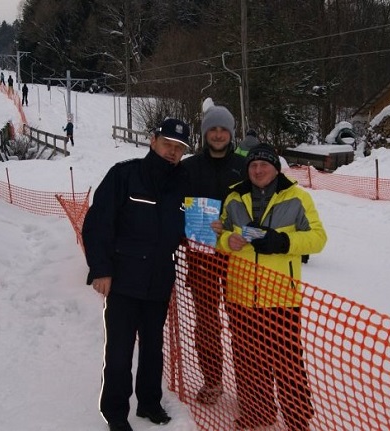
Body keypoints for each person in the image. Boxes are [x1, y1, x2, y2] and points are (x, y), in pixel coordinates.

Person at [81, 118, 191, 431]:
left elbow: (183, 225)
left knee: (153, 349)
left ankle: (149, 403)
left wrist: (203, 229)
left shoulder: (182, 182)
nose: (172, 152)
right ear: (153, 140)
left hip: (159, 280)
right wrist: (101, 269)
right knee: (119, 351)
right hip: (123, 279)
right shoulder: (124, 174)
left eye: (179, 148)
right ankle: (115, 414)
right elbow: (98, 224)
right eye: (168, 144)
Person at [217, 143, 327, 431]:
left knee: (288, 365)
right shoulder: (233, 197)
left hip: (281, 297)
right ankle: (258, 413)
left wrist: (284, 242)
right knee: (247, 361)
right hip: (239, 295)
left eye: (264, 165)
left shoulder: (297, 198)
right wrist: (228, 241)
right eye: (253, 165)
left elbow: (318, 238)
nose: (258, 170)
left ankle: (297, 420)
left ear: (276, 169)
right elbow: (221, 235)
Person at [181, 104, 247, 405]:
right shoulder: (188, 166)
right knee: (206, 323)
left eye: (224, 129)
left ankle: (249, 387)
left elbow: (260, 207)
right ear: (205, 133)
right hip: (202, 257)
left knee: (243, 325)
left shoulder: (246, 165)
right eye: (213, 129)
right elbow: (175, 205)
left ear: (231, 133)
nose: (218, 134)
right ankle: (212, 381)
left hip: (238, 257)